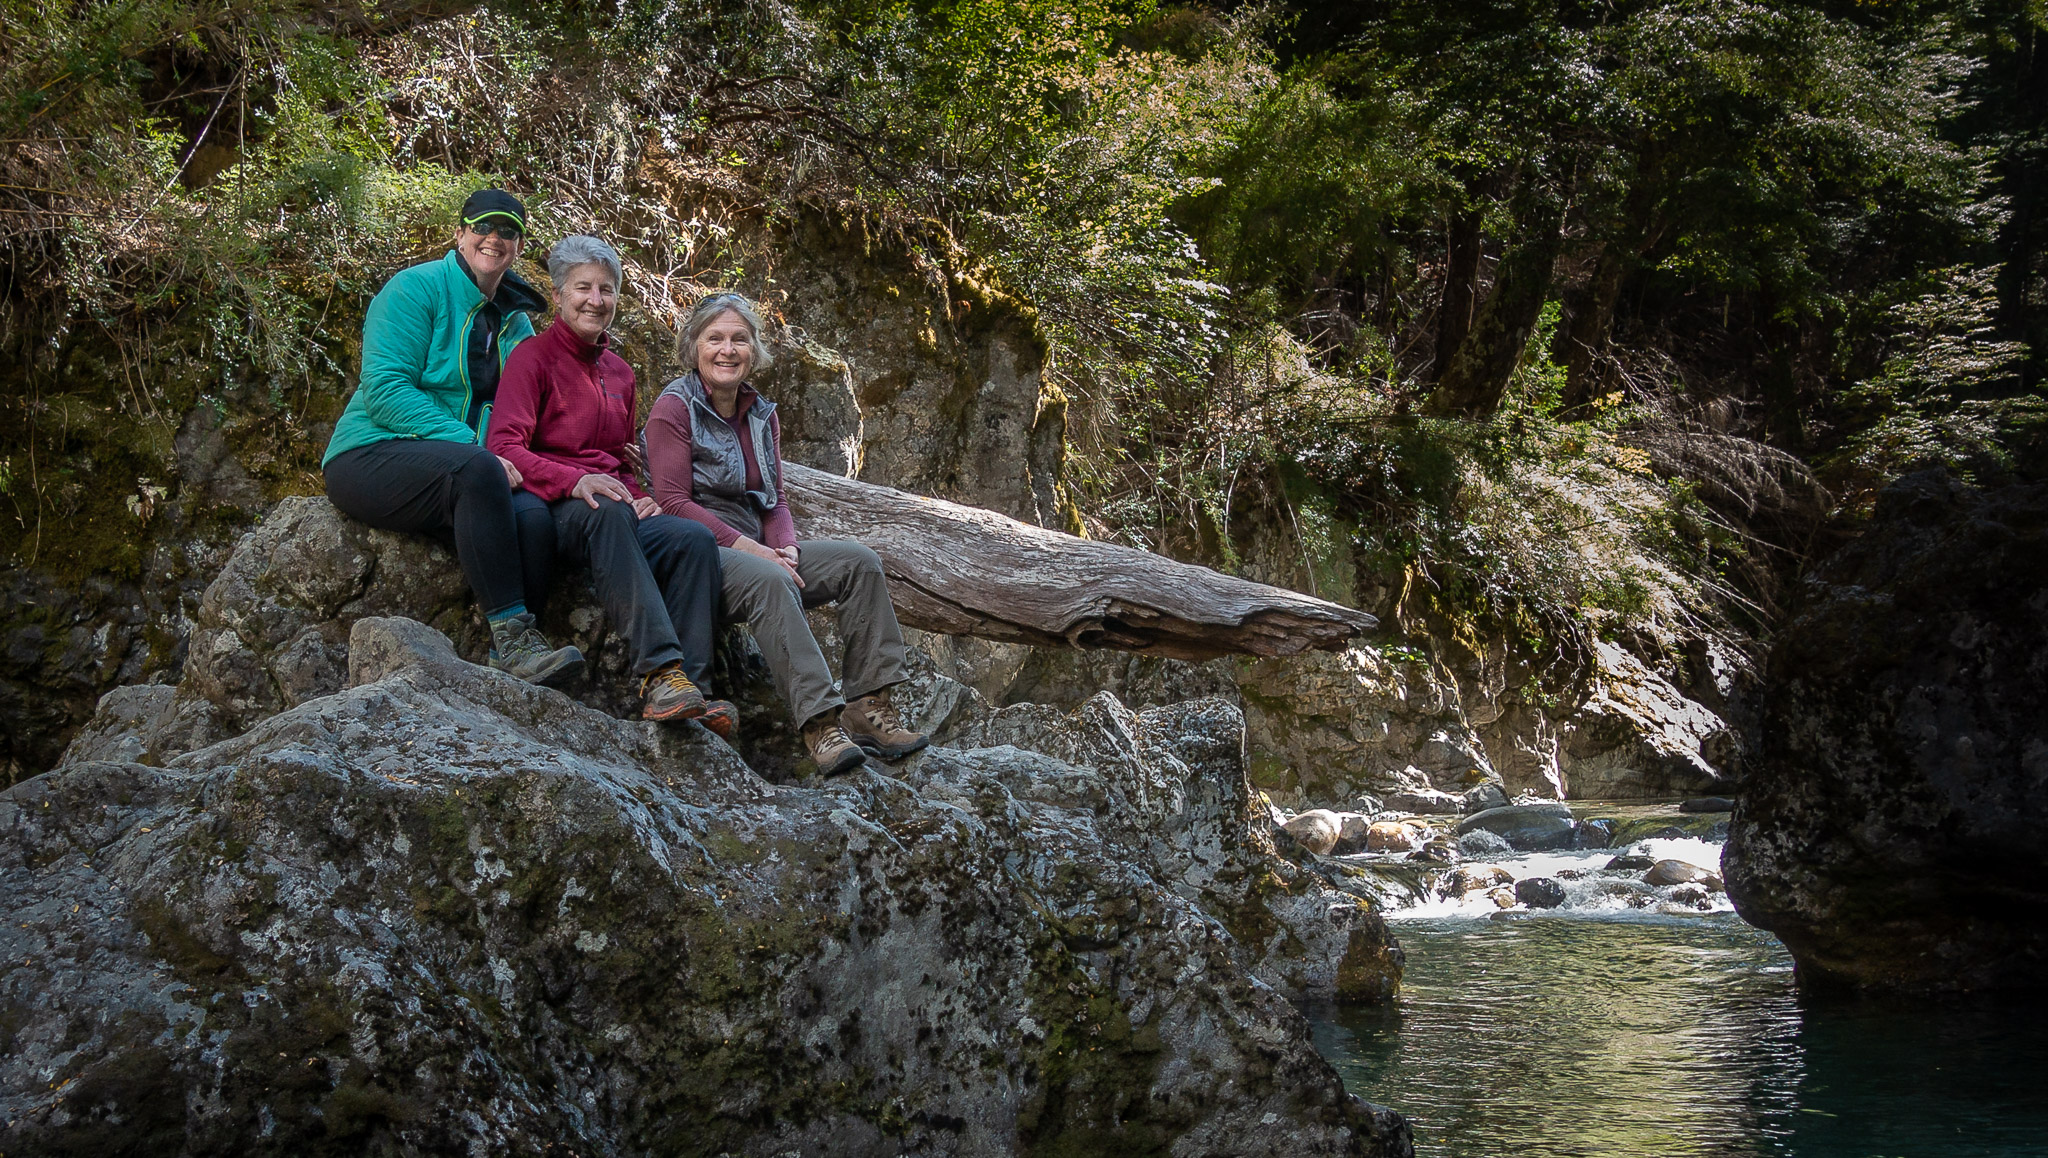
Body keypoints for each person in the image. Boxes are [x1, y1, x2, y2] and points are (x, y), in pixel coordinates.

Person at [644, 293, 929, 776]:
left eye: (739, 339)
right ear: (694, 346)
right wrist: (756, 550)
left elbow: (774, 499)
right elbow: (673, 502)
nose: (727, 350)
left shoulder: (761, 414)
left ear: (754, 350)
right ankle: (820, 723)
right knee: (769, 580)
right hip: (703, 555)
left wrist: (788, 547)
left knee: (858, 562)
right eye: (714, 338)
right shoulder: (673, 408)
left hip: (760, 546)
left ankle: (867, 705)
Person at [322, 188, 582, 685]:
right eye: (483, 226)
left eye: (508, 231)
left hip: (463, 471)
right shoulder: (414, 289)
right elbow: (385, 389)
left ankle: (515, 648)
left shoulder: (517, 323)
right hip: (370, 454)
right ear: (460, 233)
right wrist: (472, 446)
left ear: (519, 247)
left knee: (534, 518)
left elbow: (540, 408)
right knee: (481, 471)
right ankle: (512, 639)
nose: (494, 238)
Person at [487, 236, 734, 735]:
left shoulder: (620, 371)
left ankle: (696, 690)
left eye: (607, 289)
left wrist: (640, 494)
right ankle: (660, 672)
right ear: (558, 295)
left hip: (613, 507)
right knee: (607, 508)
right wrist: (576, 481)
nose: (595, 300)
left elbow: (619, 458)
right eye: (583, 288)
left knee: (692, 539)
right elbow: (504, 447)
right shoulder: (531, 359)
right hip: (553, 505)